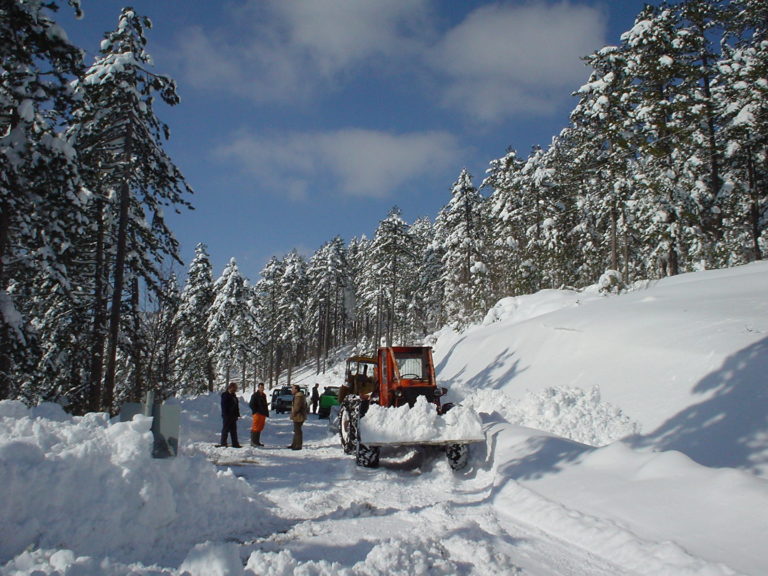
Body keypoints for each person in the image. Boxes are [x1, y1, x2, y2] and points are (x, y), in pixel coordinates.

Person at [219, 382, 241, 448]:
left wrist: (237, 414)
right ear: (230, 387)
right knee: (225, 429)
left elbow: (236, 406)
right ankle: (223, 443)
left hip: (233, 416)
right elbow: (224, 406)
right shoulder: (225, 395)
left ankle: (235, 443)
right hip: (227, 416)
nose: (235, 390)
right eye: (234, 388)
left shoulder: (234, 396)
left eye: (236, 388)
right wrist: (226, 414)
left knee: (234, 430)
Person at [248, 382, 269, 446]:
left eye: (262, 387)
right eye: (260, 387)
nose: (261, 389)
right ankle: (253, 442)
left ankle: (257, 442)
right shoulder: (254, 395)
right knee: (255, 427)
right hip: (257, 413)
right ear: (258, 388)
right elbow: (251, 404)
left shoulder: (264, 395)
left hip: (263, 414)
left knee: (260, 427)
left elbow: (264, 404)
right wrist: (255, 411)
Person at [288, 384, 308, 450]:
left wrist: (293, 414)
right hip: (298, 416)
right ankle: (294, 444)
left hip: (299, 416)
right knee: (296, 430)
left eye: (293, 389)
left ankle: (298, 445)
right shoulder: (298, 396)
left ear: (296, 389)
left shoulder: (298, 396)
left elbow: (297, 407)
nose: (292, 390)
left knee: (298, 431)